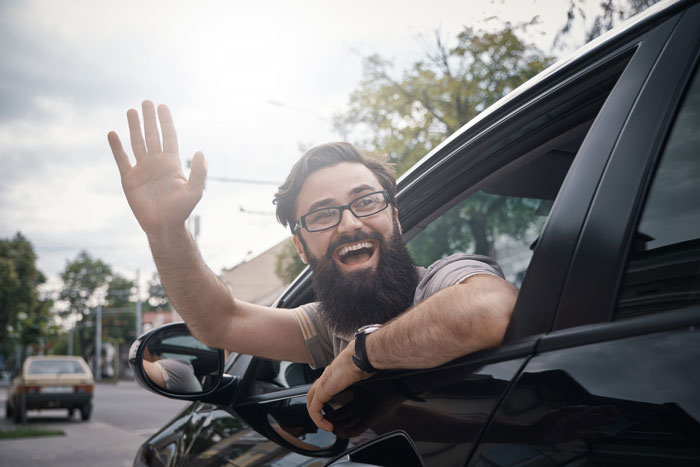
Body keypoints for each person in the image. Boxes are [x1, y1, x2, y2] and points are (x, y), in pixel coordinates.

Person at [108, 100, 518, 432]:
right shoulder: (329, 326)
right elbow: (220, 322)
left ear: (395, 217)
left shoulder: (442, 282)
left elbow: (487, 310)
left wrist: (360, 356)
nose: (350, 222)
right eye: (323, 215)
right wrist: (166, 231)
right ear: (301, 248)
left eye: (366, 201)